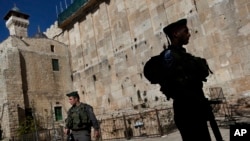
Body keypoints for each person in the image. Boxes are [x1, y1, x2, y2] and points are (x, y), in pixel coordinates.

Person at [159, 19, 216, 141]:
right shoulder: (169, 56)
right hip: (187, 112)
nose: (189, 34)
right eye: (185, 31)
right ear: (175, 34)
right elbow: (177, 84)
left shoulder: (182, 55)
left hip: (196, 108)